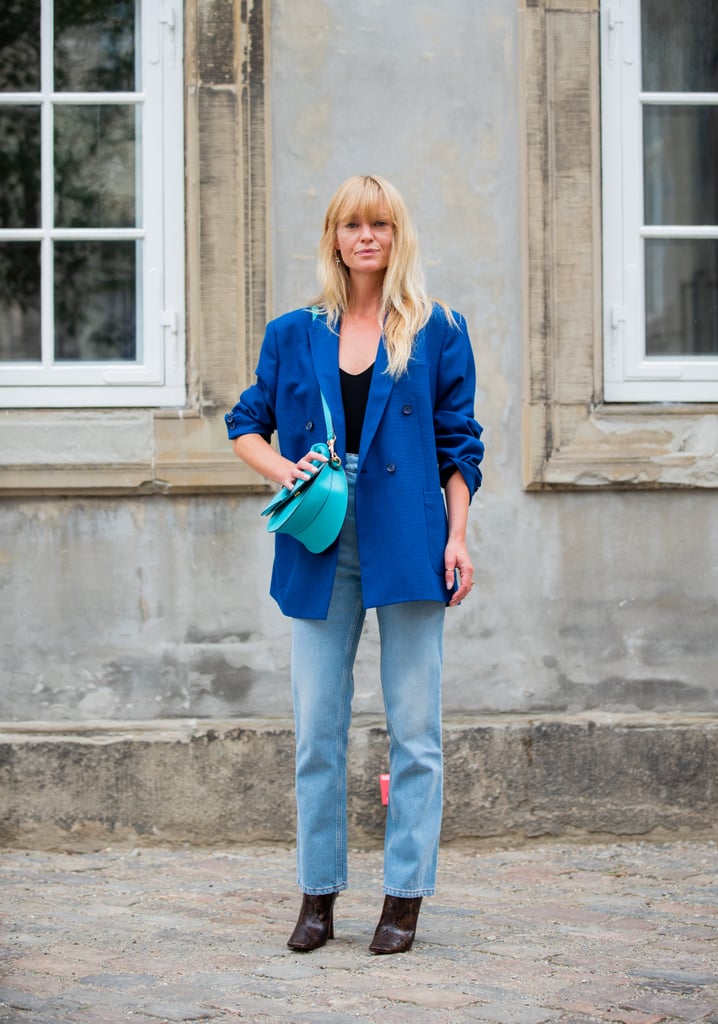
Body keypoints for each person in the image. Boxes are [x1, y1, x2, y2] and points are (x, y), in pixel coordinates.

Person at [225, 175, 484, 955]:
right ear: (333, 236)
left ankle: (404, 898)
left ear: (396, 235)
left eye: (379, 224)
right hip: (320, 546)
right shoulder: (292, 332)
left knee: (416, 733)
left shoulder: (439, 328)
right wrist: (286, 472)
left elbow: (460, 445)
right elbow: (246, 425)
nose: (365, 236)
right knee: (317, 732)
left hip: (409, 543)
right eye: (350, 224)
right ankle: (317, 897)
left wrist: (459, 536)